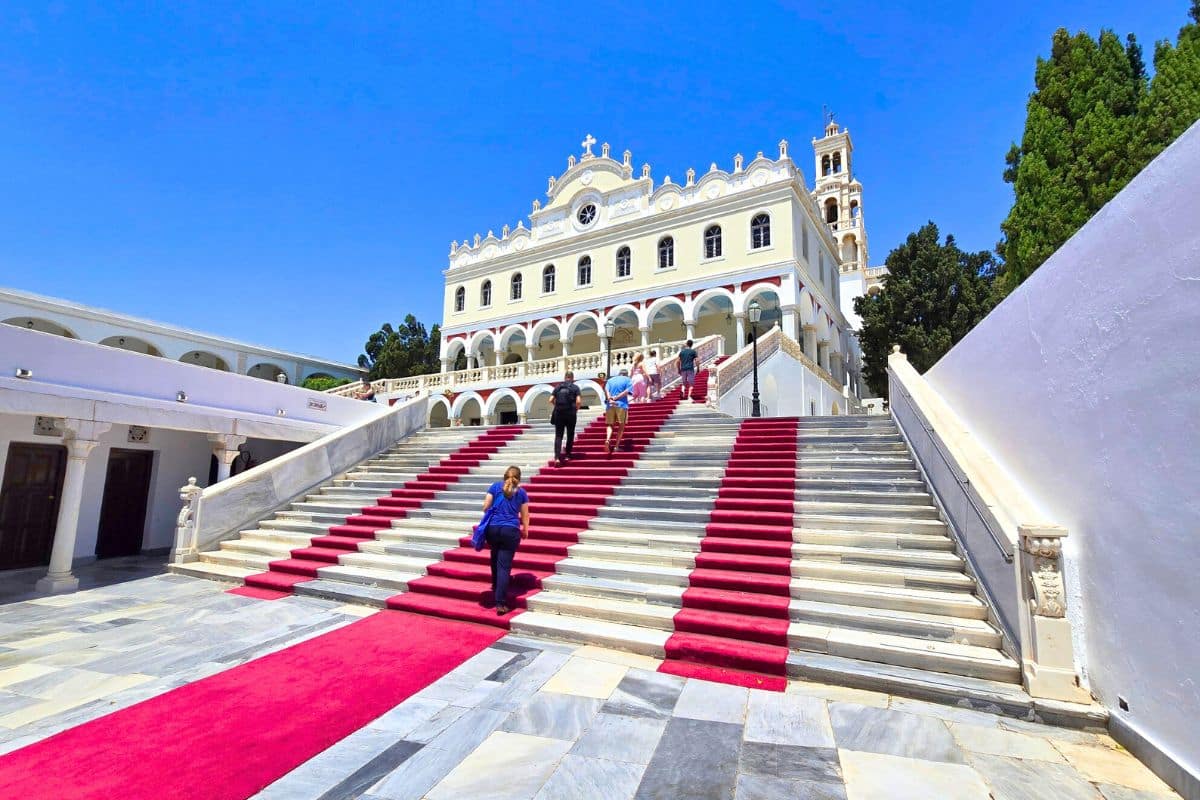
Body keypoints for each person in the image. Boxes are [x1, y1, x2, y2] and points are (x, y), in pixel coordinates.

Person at [482, 465, 529, 615]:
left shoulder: (495, 487)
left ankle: (496, 588)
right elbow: (525, 514)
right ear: (519, 479)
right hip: (511, 531)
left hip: (493, 529)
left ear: (504, 476)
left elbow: (485, 506)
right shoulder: (521, 493)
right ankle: (500, 602)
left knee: (494, 558)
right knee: (504, 566)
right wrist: (525, 530)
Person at [548, 370, 582, 466]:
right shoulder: (575, 387)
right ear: (572, 378)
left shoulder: (558, 387)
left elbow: (550, 400)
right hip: (571, 413)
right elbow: (578, 401)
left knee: (558, 435)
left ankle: (557, 458)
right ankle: (567, 454)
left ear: (565, 377)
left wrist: (557, 406)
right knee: (570, 434)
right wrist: (576, 409)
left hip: (559, 413)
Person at [604, 368, 633, 454]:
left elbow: (606, 390)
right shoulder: (628, 380)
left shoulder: (610, 380)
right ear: (626, 374)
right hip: (621, 405)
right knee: (621, 425)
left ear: (619, 373)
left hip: (610, 405)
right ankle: (616, 446)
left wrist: (610, 399)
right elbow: (626, 391)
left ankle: (608, 439)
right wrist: (616, 398)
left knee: (610, 424)